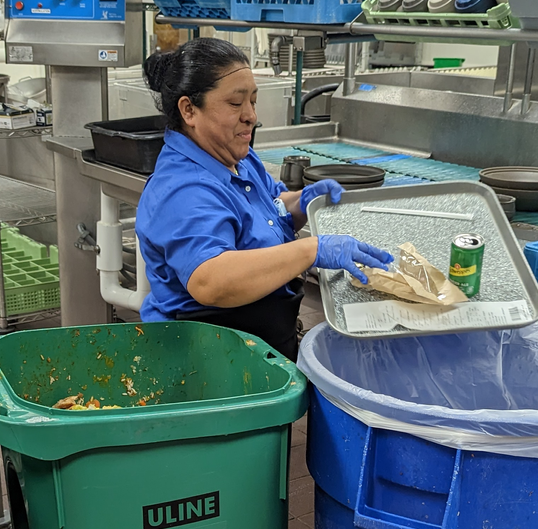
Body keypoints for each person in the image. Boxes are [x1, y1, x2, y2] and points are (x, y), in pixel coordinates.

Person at [134, 38, 392, 360]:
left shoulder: (238, 157)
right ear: (189, 110)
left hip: (252, 345)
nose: (251, 116)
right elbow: (212, 280)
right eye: (235, 103)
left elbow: (268, 210)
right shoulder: (182, 189)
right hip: (202, 359)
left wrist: (299, 203)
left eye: (253, 102)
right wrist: (312, 249)